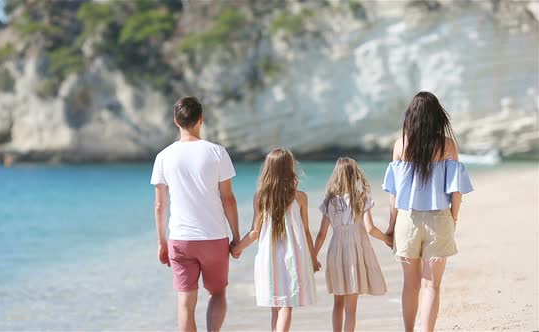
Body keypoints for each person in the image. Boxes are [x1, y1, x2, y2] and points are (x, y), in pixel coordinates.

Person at [382, 91, 474, 332]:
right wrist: (452, 220)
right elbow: (456, 192)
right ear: (436, 116)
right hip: (438, 220)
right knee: (431, 285)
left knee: (409, 285)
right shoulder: (447, 145)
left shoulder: (401, 144)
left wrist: (391, 226)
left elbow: (393, 193)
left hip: (407, 220)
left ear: (410, 116)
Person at [150, 96, 240, 332]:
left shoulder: (163, 157)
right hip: (214, 237)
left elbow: (160, 205)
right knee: (217, 293)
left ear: (176, 121)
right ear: (201, 119)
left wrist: (162, 242)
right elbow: (228, 199)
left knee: (185, 304)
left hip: (180, 240)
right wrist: (237, 236)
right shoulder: (217, 152)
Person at [230, 148, 319, 332]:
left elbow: (255, 232)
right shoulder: (300, 197)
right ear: (290, 169)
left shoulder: (261, 197)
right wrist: (313, 257)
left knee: (275, 308)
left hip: (269, 258)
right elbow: (307, 231)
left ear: (268, 170)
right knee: (287, 305)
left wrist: (237, 248)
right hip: (294, 257)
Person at [314, 157, 391, 332]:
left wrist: (313, 256)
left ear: (336, 177)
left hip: (336, 252)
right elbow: (370, 229)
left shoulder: (329, 201)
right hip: (355, 252)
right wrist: (388, 239)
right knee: (351, 308)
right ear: (355, 175)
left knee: (337, 303)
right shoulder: (362, 198)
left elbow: (321, 234)